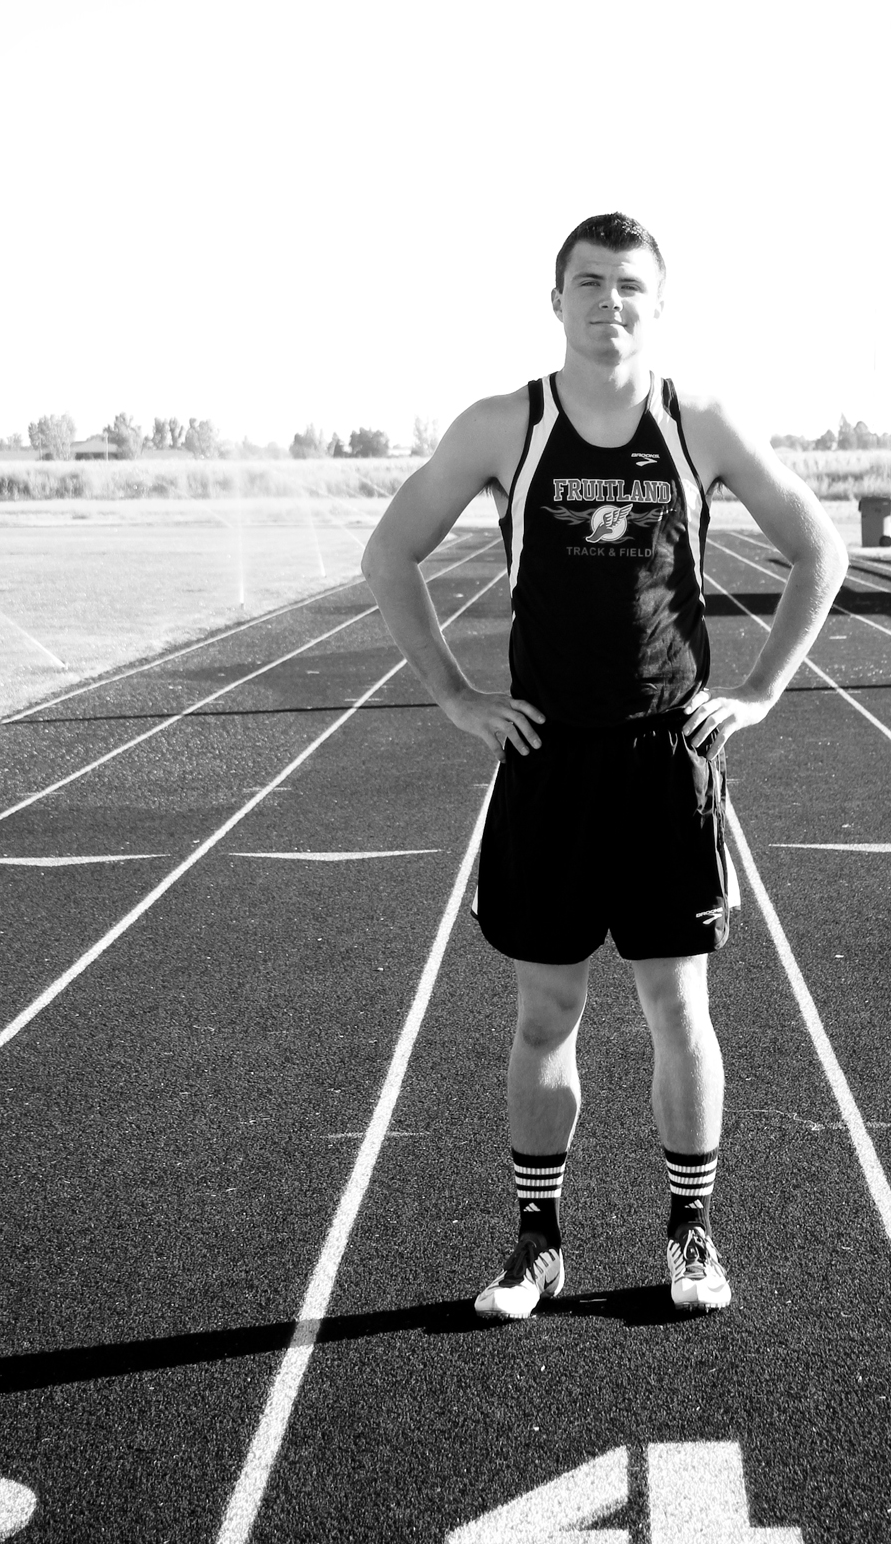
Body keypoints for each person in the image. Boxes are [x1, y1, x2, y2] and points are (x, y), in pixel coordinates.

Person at [361, 211, 847, 1320]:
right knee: (545, 1016)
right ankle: (537, 1245)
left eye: (629, 284)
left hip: (666, 758)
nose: (608, 302)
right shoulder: (506, 425)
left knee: (679, 1009)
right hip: (549, 760)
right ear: (557, 299)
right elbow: (389, 553)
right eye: (588, 282)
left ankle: (691, 1234)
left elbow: (818, 548)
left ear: (656, 303)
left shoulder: (697, 421)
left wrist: (763, 690)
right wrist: (455, 693)